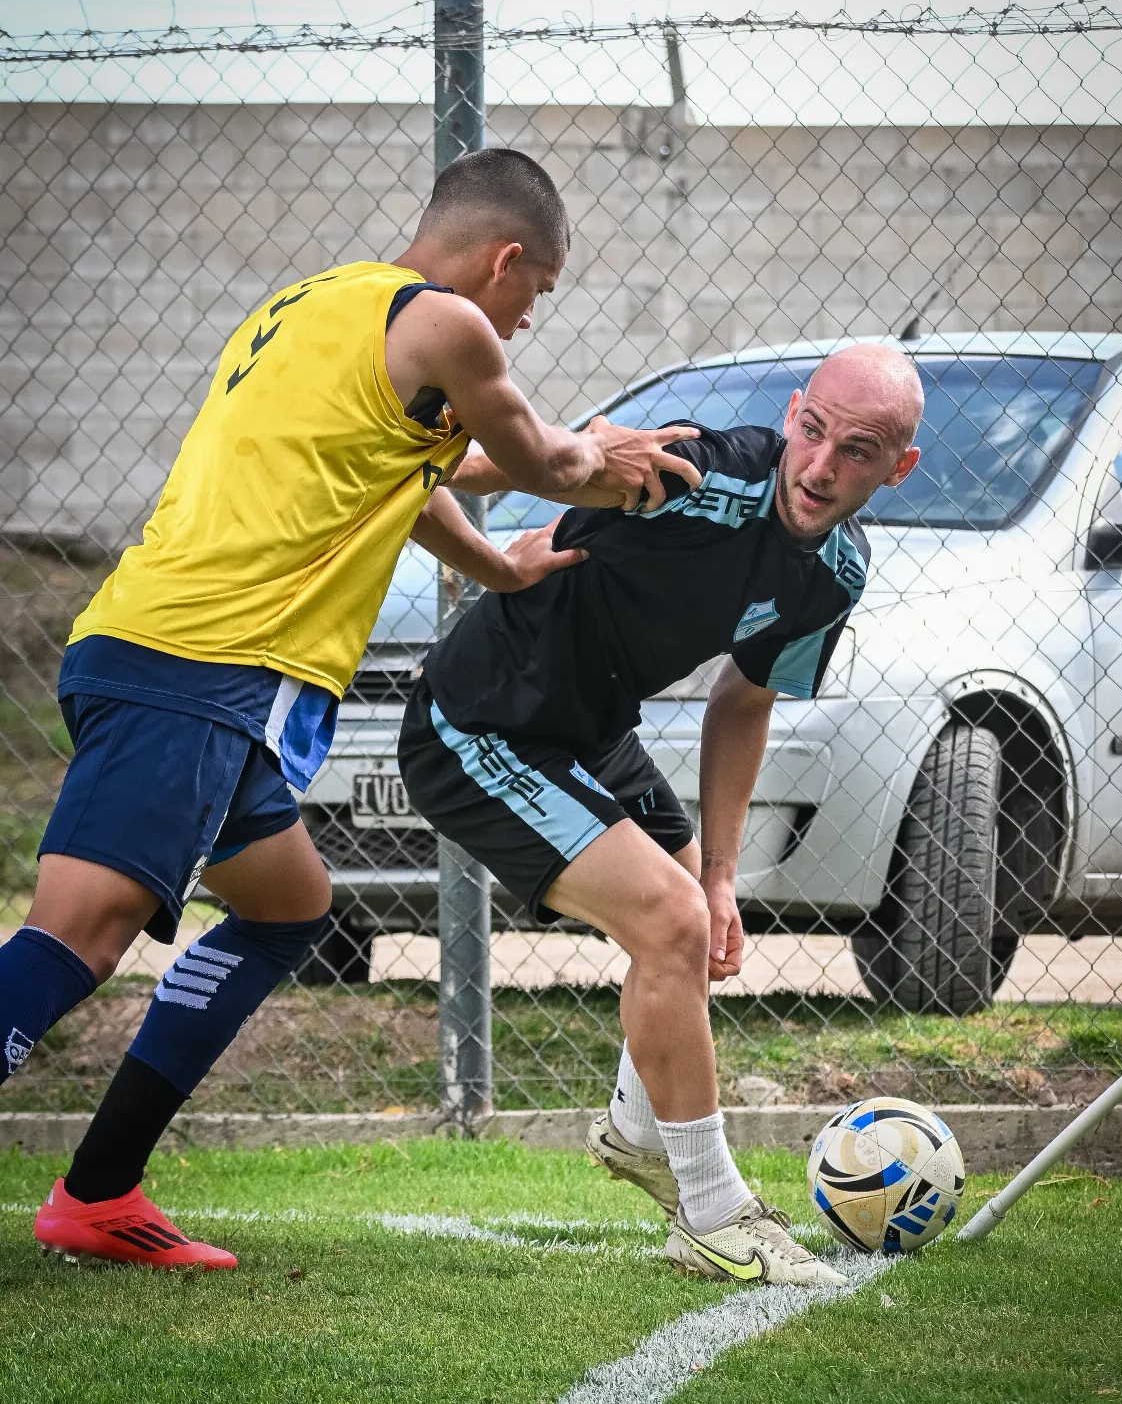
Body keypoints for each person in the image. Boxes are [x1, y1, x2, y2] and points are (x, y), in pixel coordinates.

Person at [1, 147, 703, 1270]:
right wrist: (606, 459)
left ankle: (99, 1191)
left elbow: (404, 473)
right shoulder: (450, 327)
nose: (525, 324)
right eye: (540, 294)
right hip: (198, 659)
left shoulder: (309, 304)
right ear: (506, 259)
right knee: (76, 933)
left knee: (288, 907)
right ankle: (93, 1188)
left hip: (175, 653)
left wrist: (502, 570)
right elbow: (535, 456)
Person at [398, 342, 923, 1286]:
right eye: (813, 431)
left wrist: (721, 871)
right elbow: (561, 461)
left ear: (898, 467)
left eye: (859, 450)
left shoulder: (834, 573)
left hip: (591, 727)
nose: (819, 466)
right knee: (672, 922)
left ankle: (639, 1133)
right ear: (793, 412)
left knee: (701, 921)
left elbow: (743, 701)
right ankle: (715, 1210)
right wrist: (419, 460)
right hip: (482, 719)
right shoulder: (707, 470)